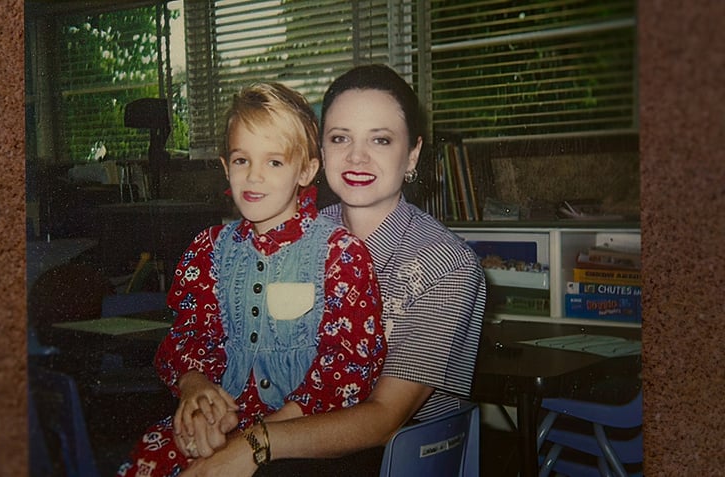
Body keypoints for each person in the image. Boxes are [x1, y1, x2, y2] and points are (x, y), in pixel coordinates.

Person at [179, 64, 487, 477]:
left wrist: (249, 445)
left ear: (412, 154)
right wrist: (206, 405)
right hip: (287, 431)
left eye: (380, 139)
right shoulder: (295, 240)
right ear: (320, 153)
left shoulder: (447, 264)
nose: (357, 157)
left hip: (394, 456)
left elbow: (384, 419)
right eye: (340, 138)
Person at [117, 82, 386, 477]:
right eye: (243, 161)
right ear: (227, 166)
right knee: (150, 461)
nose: (254, 177)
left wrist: (253, 437)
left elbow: (347, 369)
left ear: (307, 170)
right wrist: (196, 392)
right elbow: (189, 337)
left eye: (274, 162)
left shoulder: (340, 255)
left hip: (302, 432)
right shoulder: (209, 249)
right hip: (224, 423)